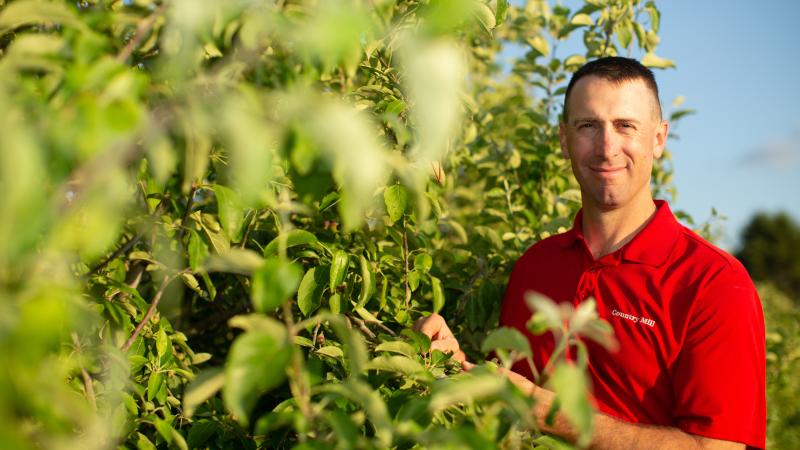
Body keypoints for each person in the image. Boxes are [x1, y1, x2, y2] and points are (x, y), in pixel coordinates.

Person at [415, 57, 766, 450]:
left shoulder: (713, 283)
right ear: (564, 139)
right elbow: (508, 409)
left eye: (625, 126)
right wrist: (454, 366)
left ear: (659, 138)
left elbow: (719, 447)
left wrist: (555, 415)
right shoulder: (536, 267)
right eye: (588, 126)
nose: (606, 147)